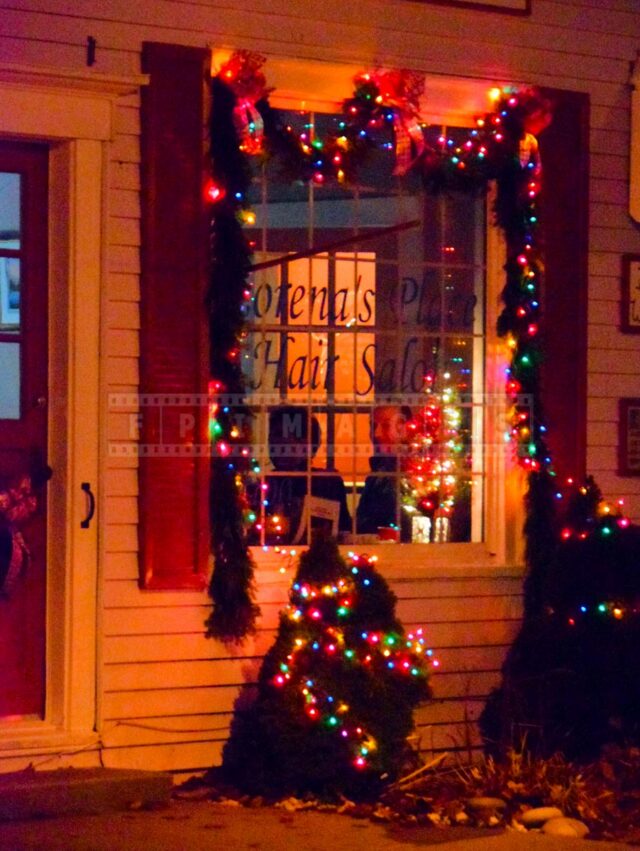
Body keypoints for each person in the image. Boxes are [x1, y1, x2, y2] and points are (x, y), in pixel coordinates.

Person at [257, 406, 351, 544]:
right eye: (273, 435)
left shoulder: (327, 482)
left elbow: (343, 533)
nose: (276, 443)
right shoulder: (265, 483)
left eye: (283, 435)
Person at [356, 405, 412, 539]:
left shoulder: (417, 475)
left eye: (386, 426)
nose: (376, 434)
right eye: (373, 426)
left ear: (405, 429)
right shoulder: (377, 473)